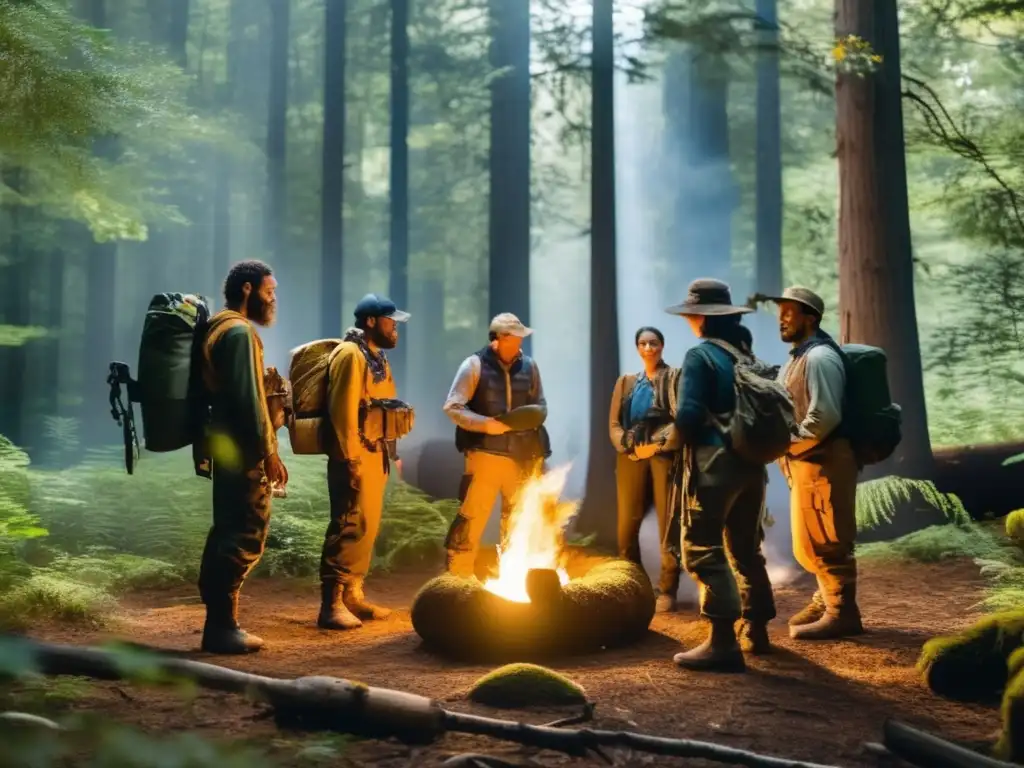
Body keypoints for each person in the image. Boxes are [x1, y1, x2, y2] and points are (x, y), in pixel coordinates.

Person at [665, 278, 777, 672]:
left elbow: (689, 415)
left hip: (715, 464)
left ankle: (722, 641)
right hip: (752, 466)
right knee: (746, 548)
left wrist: (670, 439)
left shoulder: (701, 356)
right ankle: (757, 629)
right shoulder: (744, 354)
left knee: (702, 546)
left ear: (700, 317)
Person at [197, 260, 288, 655]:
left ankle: (219, 622)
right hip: (242, 446)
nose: (273, 298)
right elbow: (248, 400)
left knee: (228, 528)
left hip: (228, 442)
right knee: (245, 531)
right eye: (269, 291)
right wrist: (268, 452)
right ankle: (221, 627)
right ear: (247, 289)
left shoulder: (219, 324)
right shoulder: (237, 332)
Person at [767, 285, 863, 640]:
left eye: (789, 312)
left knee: (828, 537)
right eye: (781, 311)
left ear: (810, 318)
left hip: (825, 461)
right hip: (806, 462)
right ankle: (826, 599)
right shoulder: (798, 357)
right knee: (807, 542)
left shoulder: (820, 358)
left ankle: (842, 612)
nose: (782, 318)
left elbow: (825, 416)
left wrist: (787, 443)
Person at [317, 293, 414, 630]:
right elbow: (342, 411)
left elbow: (386, 407)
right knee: (348, 524)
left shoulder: (377, 357)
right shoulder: (350, 354)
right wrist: (350, 457)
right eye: (391, 321)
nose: (395, 328)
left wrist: (393, 452)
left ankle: (352, 594)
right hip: (354, 454)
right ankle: (330, 604)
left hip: (376, 453)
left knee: (367, 527)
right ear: (371, 321)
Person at [442, 313, 551, 577]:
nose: (519, 342)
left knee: (517, 518)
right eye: (514, 337)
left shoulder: (530, 366)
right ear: (498, 339)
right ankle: (459, 576)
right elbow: (453, 407)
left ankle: (513, 575)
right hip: (485, 455)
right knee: (472, 516)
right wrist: (486, 424)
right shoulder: (474, 365)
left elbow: (540, 406)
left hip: (521, 457)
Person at [609, 326, 682, 613]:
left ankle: (668, 588)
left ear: (662, 346)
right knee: (627, 522)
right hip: (630, 457)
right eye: (643, 343)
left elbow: (682, 417)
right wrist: (627, 446)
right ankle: (633, 584)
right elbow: (614, 424)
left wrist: (657, 444)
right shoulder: (627, 382)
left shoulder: (674, 378)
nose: (649, 348)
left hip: (663, 456)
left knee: (668, 522)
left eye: (653, 343)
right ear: (637, 348)